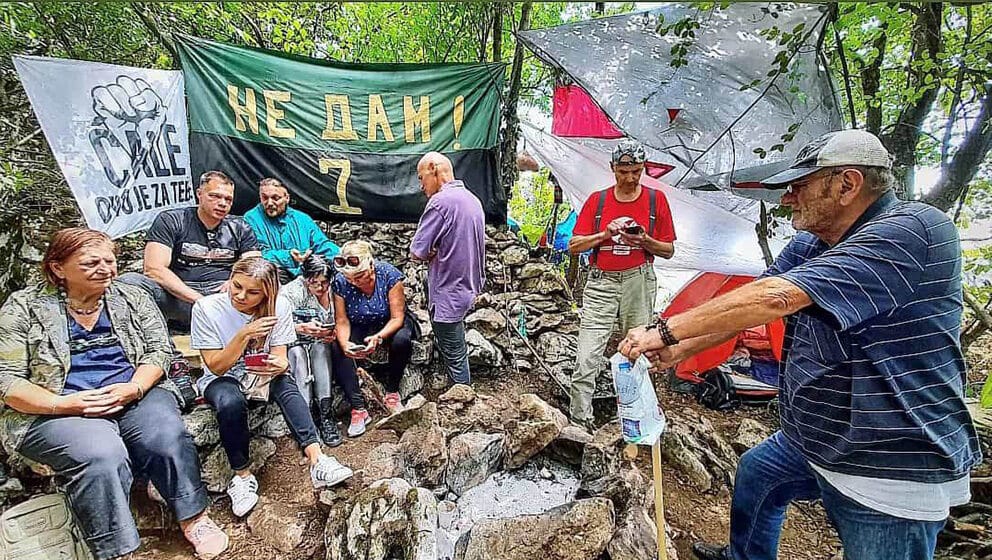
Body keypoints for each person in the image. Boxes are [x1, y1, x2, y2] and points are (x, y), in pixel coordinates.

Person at [619, 130, 982, 560]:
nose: (788, 198)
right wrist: (681, 349)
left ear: (847, 184)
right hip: (816, 437)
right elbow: (761, 301)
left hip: (889, 459)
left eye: (800, 186)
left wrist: (664, 331)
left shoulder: (914, 230)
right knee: (758, 474)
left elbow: (779, 297)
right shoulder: (815, 241)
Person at [0, 228, 227, 560]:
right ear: (58, 267)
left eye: (110, 260)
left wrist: (134, 387)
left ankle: (194, 516)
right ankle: (116, 549)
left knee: (166, 434)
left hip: (134, 391)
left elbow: (159, 352)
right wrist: (63, 403)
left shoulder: (131, 297)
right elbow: (7, 380)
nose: (106, 268)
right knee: (101, 454)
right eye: (92, 262)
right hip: (59, 407)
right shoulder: (23, 307)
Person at [190, 256, 353, 518]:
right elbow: (215, 365)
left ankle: (317, 459)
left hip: (260, 374)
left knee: (285, 384)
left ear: (267, 293)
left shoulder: (279, 306)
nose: (241, 296)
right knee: (230, 402)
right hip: (221, 377)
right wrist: (244, 334)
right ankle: (241, 477)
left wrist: (277, 364)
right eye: (236, 286)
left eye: (252, 292)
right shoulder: (206, 308)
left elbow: (280, 355)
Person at [567, 139, 676, 429]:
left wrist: (643, 240)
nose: (630, 178)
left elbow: (668, 250)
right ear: (613, 168)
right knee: (587, 354)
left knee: (638, 352)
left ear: (643, 169)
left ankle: (633, 418)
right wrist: (605, 234)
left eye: (636, 172)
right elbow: (575, 245)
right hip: (602, 280)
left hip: (638, 279)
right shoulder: (598, 201)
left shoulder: (656, 200)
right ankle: (579, 421)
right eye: (624, 172)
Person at [119, 170, 260, 331]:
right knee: (129, 281)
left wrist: (235, 281)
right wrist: (199, 300)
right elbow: (153, 269)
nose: (222, 203)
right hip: (180, 296)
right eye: (214, 196)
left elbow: (255, 266)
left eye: (228, 199)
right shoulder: (172, 220)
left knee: (270, 284)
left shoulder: (240, 226)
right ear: (199, 194)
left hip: (226, 298)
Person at [410, 152, 485, 386]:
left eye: (421, 178)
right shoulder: (472, 200)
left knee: (455, 356)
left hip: (448, 293)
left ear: (433, 169)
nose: (421, 186)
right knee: (455, 349)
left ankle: (461, 402)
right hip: (467, 287)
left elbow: (416, 252)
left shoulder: (441, 202)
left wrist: (429, 251)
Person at [279, 255, 367, 445]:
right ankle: (308, 417)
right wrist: (299, 328)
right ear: (305, 278)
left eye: (324, 282)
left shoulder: (335, 291)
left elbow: (343, 320)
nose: (320, 287)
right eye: (314, 283)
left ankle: (326, 415)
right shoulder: (291, 292)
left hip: (322, 343)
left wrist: (333, 332)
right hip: (295, 343)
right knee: (298, 357)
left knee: (321, 351)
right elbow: (277, 323)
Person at [333, 240, 419, 416]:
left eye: (359, 277)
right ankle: (357, 405)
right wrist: (344, 344)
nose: (355, 282)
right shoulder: (341, 282)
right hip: (360, 322)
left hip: (390, 321)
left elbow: (397, 317)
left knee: (401, 340)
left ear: (371, 265)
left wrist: (378, 337)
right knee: (337, 347)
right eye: (350, 279)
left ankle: (392, 391)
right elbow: (341, 320)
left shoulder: (389, 275)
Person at [244, 177, 341, 283]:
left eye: (275, 198)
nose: (270, 203)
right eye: (265, 198)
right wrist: (289, 256)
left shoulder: (302, 219)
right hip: (272, 278)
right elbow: (257, 254)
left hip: (307, 276)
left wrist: (343, 255)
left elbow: (322, 245)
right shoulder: (251, 218)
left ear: (287, 198)